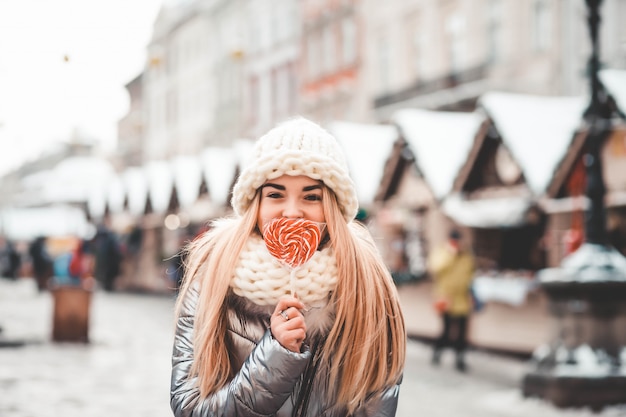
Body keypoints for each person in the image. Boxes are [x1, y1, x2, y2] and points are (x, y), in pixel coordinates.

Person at [171, 117, 406, 416]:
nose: (292, 212)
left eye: (311, 196)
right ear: (255, 203)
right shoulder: (212, 277)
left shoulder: (368, 284)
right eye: (275, 194)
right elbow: (190, 408)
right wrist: (275, 357)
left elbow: (376, 403)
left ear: (333, 207)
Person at [428, 229, 475, 372]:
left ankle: (460, 359)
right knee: (446, 329)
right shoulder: (442, 252)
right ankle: (437, 353)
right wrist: (450, 254)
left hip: (462, 298)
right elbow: (435, 268)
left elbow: (470, 273)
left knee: (462, 331)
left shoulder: (466, 255)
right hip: (445, 297)